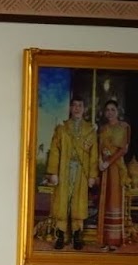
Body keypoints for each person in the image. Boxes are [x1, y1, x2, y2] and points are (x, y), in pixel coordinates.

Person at [44, 95, 97, 250]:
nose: (77, 108)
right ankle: (60, 235)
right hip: (64, 170)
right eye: (74, 105)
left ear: (84, 108)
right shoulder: (62, 128)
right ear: (70, 108)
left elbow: (93, 155)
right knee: (62, 202)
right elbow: (55, 151)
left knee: (78, 202)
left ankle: (77, 235)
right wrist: (53, 172)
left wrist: (92, 176)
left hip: (81, 171)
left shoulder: (90, 130)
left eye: (80, 105)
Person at [96, 98, 131, 250]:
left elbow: (123, 150)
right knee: (105, 201)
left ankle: (115, 242)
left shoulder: (124, 127)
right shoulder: (102, 129)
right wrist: (100, 161)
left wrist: (108, 162)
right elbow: (99, 147)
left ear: (118, 111)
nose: (110, 112)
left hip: (116, 168)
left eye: (113, 110)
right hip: (105, 169)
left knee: (115, 202)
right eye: (107, 110)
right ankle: (105, 240)